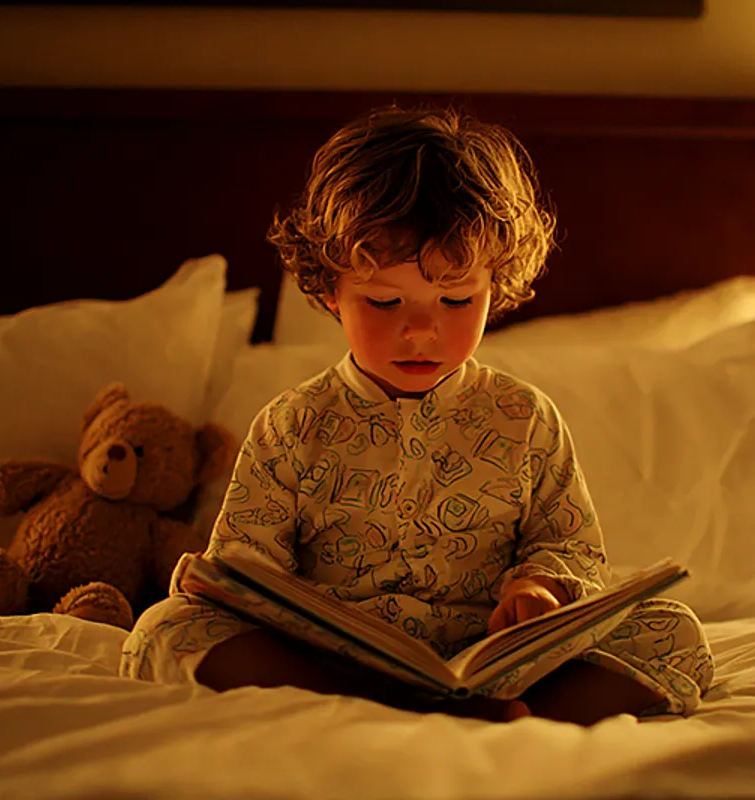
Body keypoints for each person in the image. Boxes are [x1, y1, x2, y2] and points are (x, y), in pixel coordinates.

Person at [120, 106, 714, 724]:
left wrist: (541, 589)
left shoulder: (524, 417)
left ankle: (502, 704)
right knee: (166, 629)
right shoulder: (292, 423)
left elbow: (568, 544)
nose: (421, 330)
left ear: (496, 285)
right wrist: (233, 588)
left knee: (674, 632)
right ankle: (397, 703)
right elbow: (248, 566)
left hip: (490, 652)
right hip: (333, 659)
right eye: (384, 301)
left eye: (457, 299)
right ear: (330, 290)